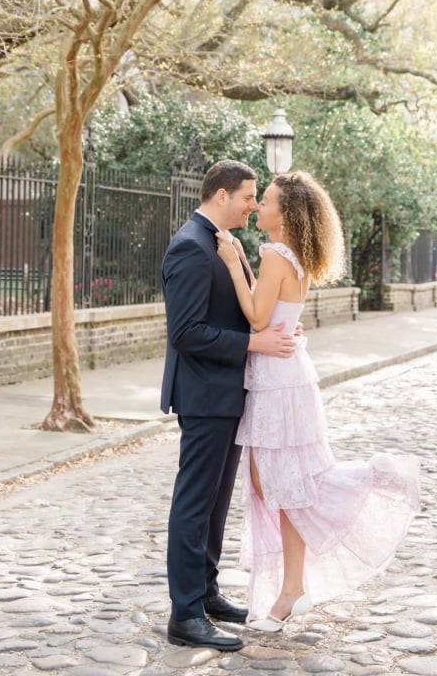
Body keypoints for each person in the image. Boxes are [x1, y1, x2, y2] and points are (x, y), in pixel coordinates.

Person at [216, 170, 421, 630]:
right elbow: (274, 315)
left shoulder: (273, 254)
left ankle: (369, 480)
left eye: (265, 202)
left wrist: (233, 265)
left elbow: (255, 315)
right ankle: (294, 587)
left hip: (278, 381)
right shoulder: (292, 254)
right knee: (278, 486)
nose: (259, 208)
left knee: (284, 485)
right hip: (285, 375)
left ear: (285, 215)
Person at [160, 159, 297, 652]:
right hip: (205, 395)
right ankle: (184, 614)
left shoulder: (222, 245)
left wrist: (270, 332)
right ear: (222, 195)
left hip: (231, 393)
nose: (254, 205)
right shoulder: (190, 248)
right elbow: (185, 333)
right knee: (194, 504)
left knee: (216, 505)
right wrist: (252, 347)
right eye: (247, 196)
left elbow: (244, 311)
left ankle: (208, 594)